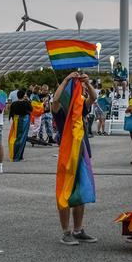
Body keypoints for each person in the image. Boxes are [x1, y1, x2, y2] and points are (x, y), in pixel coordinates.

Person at [53, 71, 98, 245]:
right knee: (64, 191)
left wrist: (87, 83)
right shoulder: (61, 110)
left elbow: (93, 98)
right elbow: (55, 101)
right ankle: (66, 231)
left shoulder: (80, 108)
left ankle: (78, 229)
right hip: (67, 155)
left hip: (82, 152)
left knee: (82, 189)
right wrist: (65, 81)